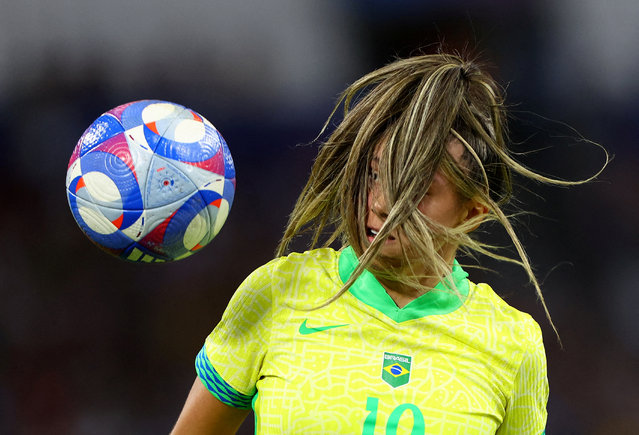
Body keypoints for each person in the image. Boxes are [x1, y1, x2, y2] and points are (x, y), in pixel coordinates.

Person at [171, 52, 606, 434]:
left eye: (415, 189)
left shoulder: (513, 344)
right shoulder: (277, 293)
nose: (379, 203)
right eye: (375, 173)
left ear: (472, 212)